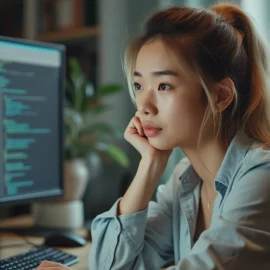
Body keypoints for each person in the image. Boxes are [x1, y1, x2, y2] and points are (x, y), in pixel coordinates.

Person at [37, 3, 270, 270]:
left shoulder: (261, 177)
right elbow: (109, 265)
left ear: (220, 96)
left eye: (164, 85)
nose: (144, 105)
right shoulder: (186, 180)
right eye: (139, 85)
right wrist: (148, 167)